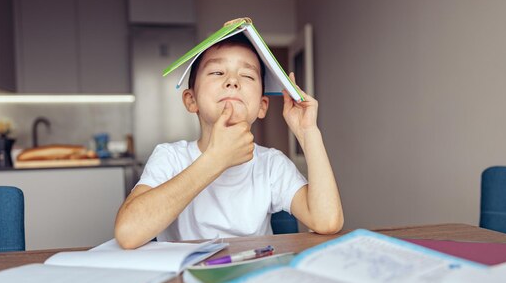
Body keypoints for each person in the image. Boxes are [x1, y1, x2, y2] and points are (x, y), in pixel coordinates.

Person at [115, 33, 343, 249]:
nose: (233, 81)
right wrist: (215, 160)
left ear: (262, 106)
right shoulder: (170, 157)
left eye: (247, 75)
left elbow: (328, 221)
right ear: (191, 100)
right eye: (217, 73)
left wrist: (308, 132)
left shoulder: (272, 164)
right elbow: (128, 233)